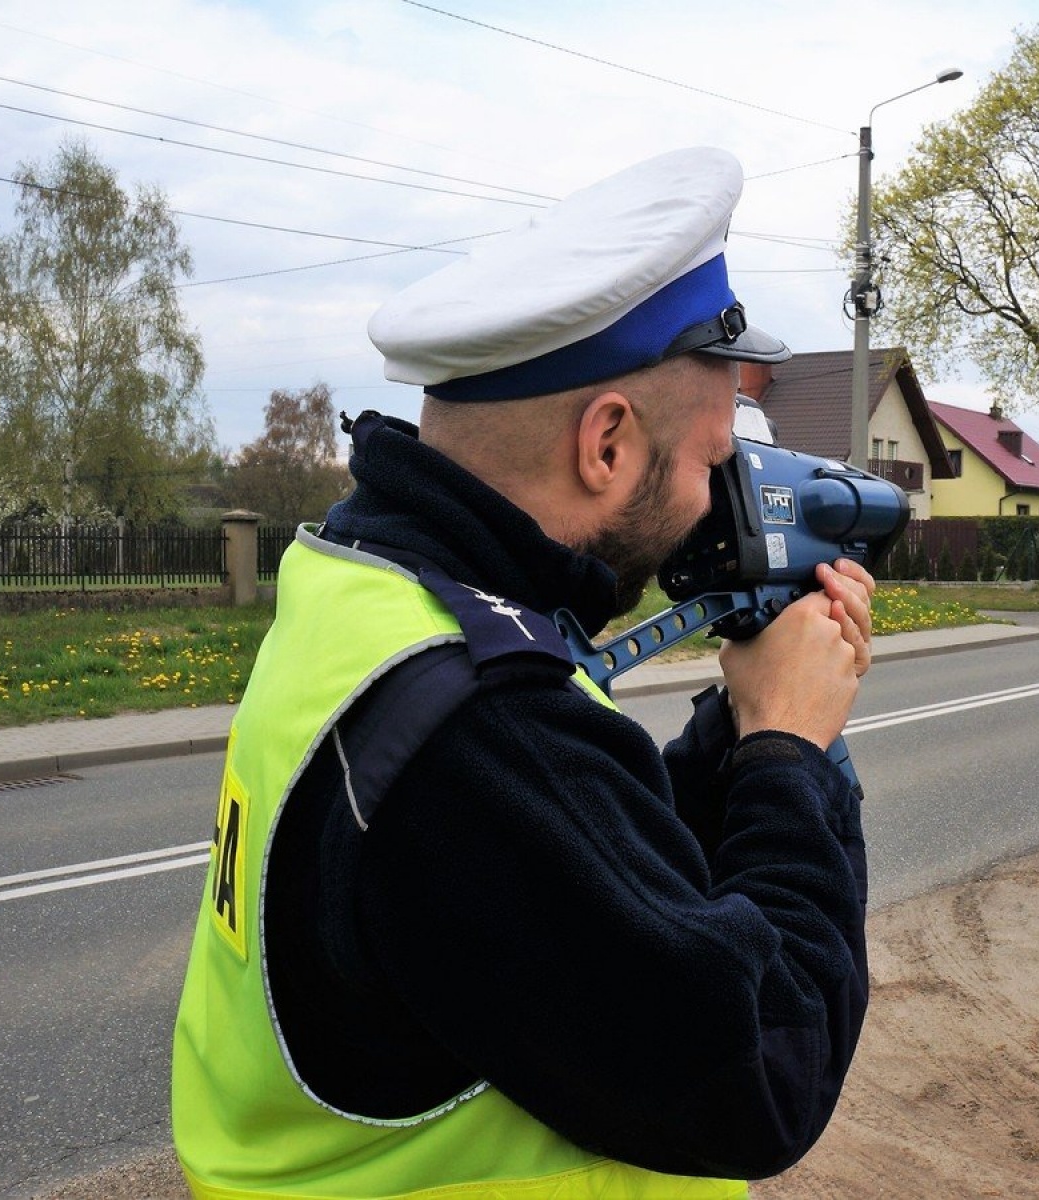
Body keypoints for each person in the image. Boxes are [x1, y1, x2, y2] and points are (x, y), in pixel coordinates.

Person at [172, 146, 875, 1199]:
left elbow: (588, 862)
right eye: (710, 459)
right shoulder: (478, 728)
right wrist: (789, 752)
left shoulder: (373, 589)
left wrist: (735, 725)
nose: (715, 495)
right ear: (605, 444)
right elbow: (761, 1070)